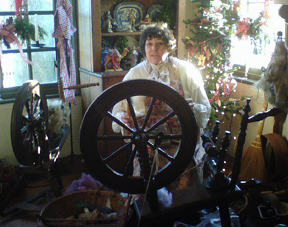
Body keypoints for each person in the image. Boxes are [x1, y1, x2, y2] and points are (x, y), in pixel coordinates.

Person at [112, 24, 211, 191]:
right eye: (149, 44)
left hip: (182, 141)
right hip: (147, 143)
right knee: (147, 182)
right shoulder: (134, 74)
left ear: (168, 46)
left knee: (185, 184)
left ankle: (184, 208)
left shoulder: (185, 70)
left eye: (159, 43)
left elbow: (204, 107)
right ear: (144, 47)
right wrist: (124, 120)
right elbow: (118, 110)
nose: (154, 49)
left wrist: (191, 111)